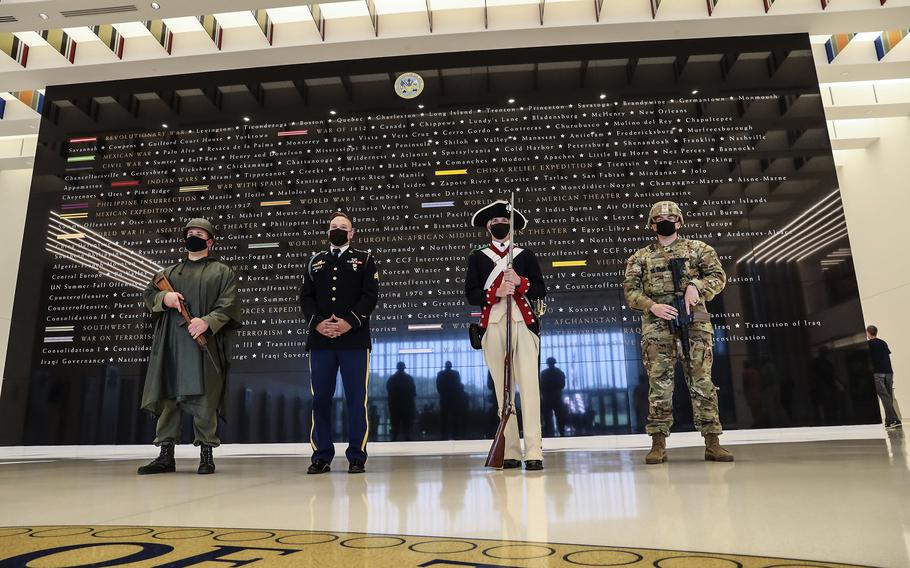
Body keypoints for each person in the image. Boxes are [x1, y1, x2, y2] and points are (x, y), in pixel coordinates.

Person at [623, 201, 733, 464]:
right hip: (658, 325)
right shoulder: (640, 257)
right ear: (651, 224)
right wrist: (653, 306)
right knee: (659, 385)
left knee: (702, 381)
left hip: (695, 320)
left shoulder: (699, 249)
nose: (665, 220)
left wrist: (696, 286)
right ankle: (658, 443)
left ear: (680, 222)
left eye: (671, 217)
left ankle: (712, 442)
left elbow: (718, 276)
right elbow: (631, 292)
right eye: (660, 218)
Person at [138, 218, 241, 475]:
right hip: (172, 345)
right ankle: (165, 455)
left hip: (202, 346)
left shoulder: (222, 272)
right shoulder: (168, 274)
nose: (194, 236)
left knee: (205, 399)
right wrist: (166, 297)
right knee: (170, 397)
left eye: (200, 233)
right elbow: (150, 297)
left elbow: (228, 303)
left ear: (210, 241)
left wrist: (207, 322)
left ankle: (206, 454)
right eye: (190, 233)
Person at [465, 199, 546, 471]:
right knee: (504, 391)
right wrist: (495, 293)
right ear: (488, 226)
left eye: (504, 223)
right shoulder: (477, 257)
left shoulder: (525, 255)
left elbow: (540, 290)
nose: (500, 226)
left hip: (522, 324)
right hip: (494, 325)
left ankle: (534, 450)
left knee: (530, 389)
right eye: (495, 223)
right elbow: (471, 294)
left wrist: (520, 283)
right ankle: (510, 450)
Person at [300, 211, 379, 474]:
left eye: (343, 227)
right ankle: (321, 455)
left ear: (352, 233)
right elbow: (306, 298)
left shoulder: (365, 260)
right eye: (333, 226)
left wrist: (348, 322)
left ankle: (357, 455)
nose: (337, 230)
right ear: (327, 232)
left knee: (356, 399)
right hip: (321, 341)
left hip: (354, 340)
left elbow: (370, 297)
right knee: (320, 398)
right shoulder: (315, 261)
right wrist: (319, 323)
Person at [867, 325, 901, 429]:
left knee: (884, 397)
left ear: (868, 333)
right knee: (888, 396)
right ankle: (888, 420)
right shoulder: (883, 342)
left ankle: (895, 419)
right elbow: (887, 354)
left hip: (878, 373)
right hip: (889, 372)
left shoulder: (868, 345)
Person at [387, 362, 417, 441]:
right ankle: (407, 438)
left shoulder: (392, 379)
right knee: (406, 424)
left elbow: (390, 392)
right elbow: (413, 393)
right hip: (406, 406)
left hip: (395, 406)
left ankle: (394, 438)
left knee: (395, 424)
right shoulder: (409, 379)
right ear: (404, 368)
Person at [437, 361, 465, 440]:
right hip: (454, 399)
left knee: (444, 418)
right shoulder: (455, 374)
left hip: (444, 399)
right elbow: (458, 385)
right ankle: (455, 434)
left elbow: (438, 386)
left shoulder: (441, 374)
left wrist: (444, 394)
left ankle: (444, 435)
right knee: (454, 417)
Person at [540, 357, 567, 437]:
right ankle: (561, 431)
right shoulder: (559, 373)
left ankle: (549, 432)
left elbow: (541, 385)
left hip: (548, 398)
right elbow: (562, 385)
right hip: (556, 397)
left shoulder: (544, 374)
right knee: (558, 416)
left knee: (548, 416)